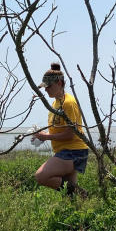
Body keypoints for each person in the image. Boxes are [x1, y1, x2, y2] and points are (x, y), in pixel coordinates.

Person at [34, 63, 89, 197]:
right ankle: (81, 202)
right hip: (65, 150)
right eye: (45, 87)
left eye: (48, 87)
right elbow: (59, 130)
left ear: (59, 83)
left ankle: (82, 194)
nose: (46, 90)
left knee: (41, 176)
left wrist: (46, 137)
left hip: (73, 151)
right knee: (70, 195)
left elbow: (71, 134)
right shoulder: (55, 102)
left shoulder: (68, 103)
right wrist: (43, 135)